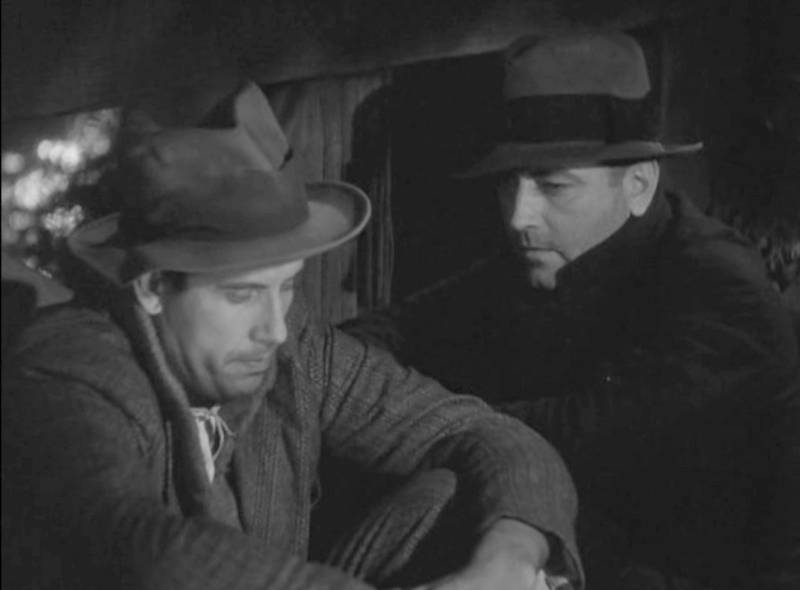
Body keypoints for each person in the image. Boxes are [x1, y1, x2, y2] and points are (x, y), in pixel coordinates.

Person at [0, 81, 583, 590]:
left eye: (287, 286)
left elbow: (482, 431)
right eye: (241, 295)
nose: (274, 328)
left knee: (462, 499)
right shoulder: (72, 367)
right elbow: (138, 544)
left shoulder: (292, 345)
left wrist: (507, 562)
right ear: (153, 288)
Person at [341, 32, 799, 589]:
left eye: (554, 186)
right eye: (508, 184)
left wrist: (393, 417)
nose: (519, 217)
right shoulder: (552, 255)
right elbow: (405, 325)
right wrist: (318, 376)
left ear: (638, 184)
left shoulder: (723, 291)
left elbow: (584, 431)